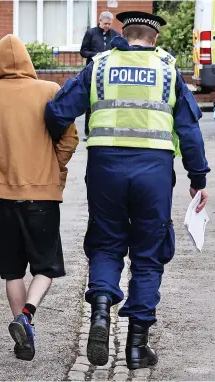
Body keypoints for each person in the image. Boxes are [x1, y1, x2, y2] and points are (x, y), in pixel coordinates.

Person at [44, 11, 210, 370]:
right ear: (153, 39)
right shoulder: (168, 70)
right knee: (149, 254)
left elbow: (57, 111)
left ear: (124, 34)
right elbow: (190, 131)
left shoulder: (99, 66)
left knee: (106, 242)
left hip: (106, 169)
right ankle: (136, 346)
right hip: (153, 173)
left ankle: (102, 310)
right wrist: (198, 178)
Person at [0, 34, 78, 361]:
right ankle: (26, 316)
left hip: (3, 197)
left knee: (12, 271)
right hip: (42, 196)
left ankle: (24, 338)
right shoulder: (49, 90)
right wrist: (53, 166)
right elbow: (69, 137)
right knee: (46, 266)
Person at [80, 11, 121, 141]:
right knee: (91, 101)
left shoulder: (115, 35)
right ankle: (88, 131)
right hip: (93, 70)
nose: (107, 26)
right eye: (105, 24)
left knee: (108, 100)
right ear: (100, 21)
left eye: (109, 24)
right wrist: (96, 54)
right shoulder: (91, 33)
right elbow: (83, 51)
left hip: (109, 71)